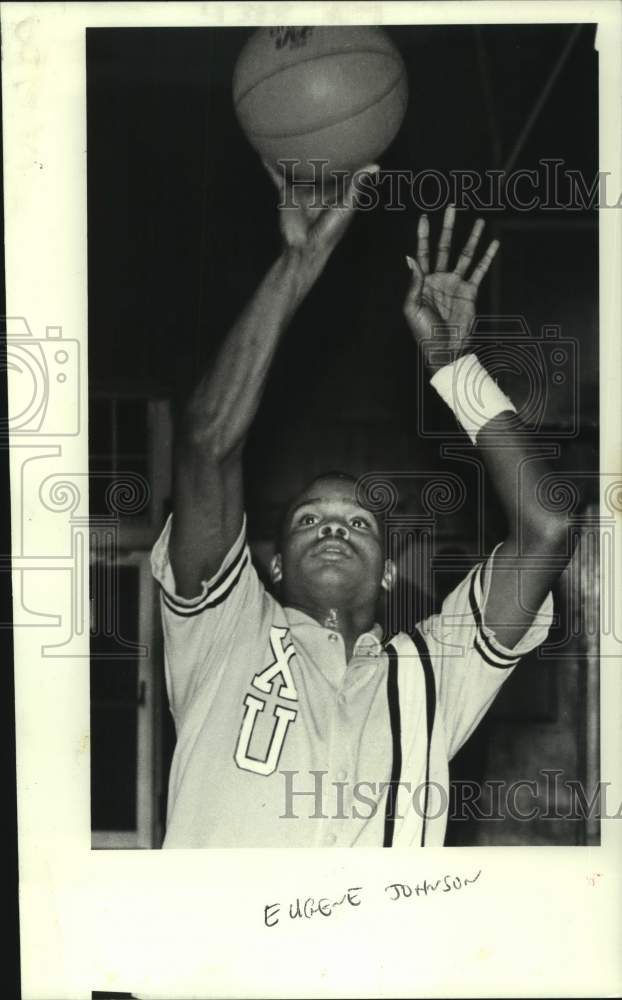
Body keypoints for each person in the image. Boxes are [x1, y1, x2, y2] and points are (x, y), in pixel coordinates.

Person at [151, 163, 571, 848]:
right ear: (273, 566)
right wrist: (296, 264)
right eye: (308, 520)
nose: (333, 529)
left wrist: (454, 368)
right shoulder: (224, 634)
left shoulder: (434, 671)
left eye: (360, 523)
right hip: (218, 955)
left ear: (388, 573)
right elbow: (205, 441)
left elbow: (548, 527)